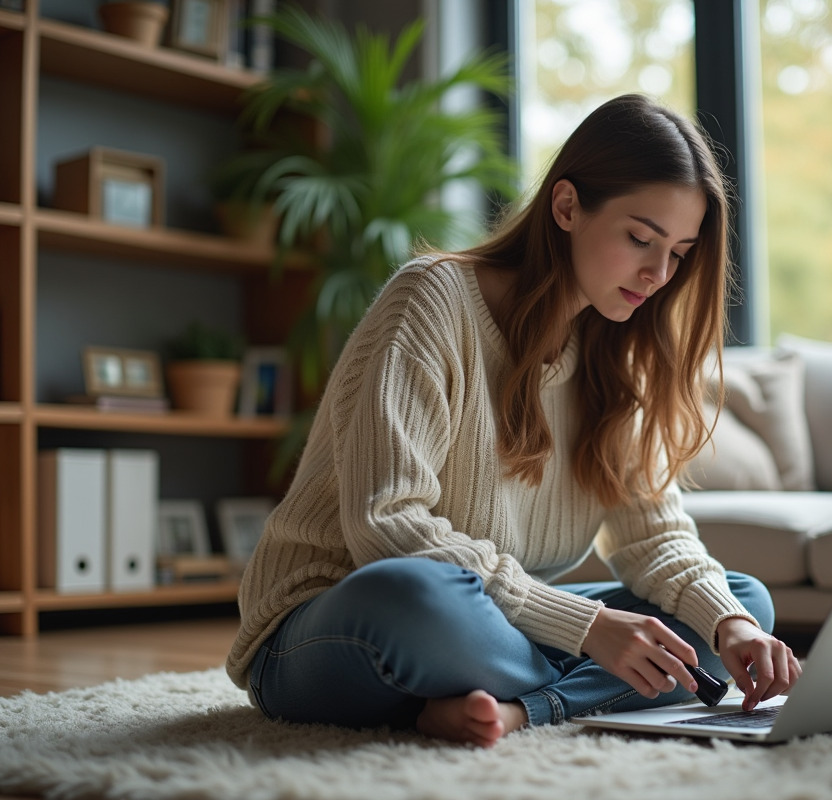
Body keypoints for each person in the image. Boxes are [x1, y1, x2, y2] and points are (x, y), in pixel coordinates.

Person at [226, 93, 801, 747]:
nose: (657, 274)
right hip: (337, 621)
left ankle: (518, 710)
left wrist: (731, 627)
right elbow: (386, 524)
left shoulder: (616, 350)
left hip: (492, 628)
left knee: (739, 598)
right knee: (419, 597)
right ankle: (570, 692)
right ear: (565, 207)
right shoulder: (433, 299)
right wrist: (588, 631)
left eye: (678, 252)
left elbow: (654, 540)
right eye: (640, 239)